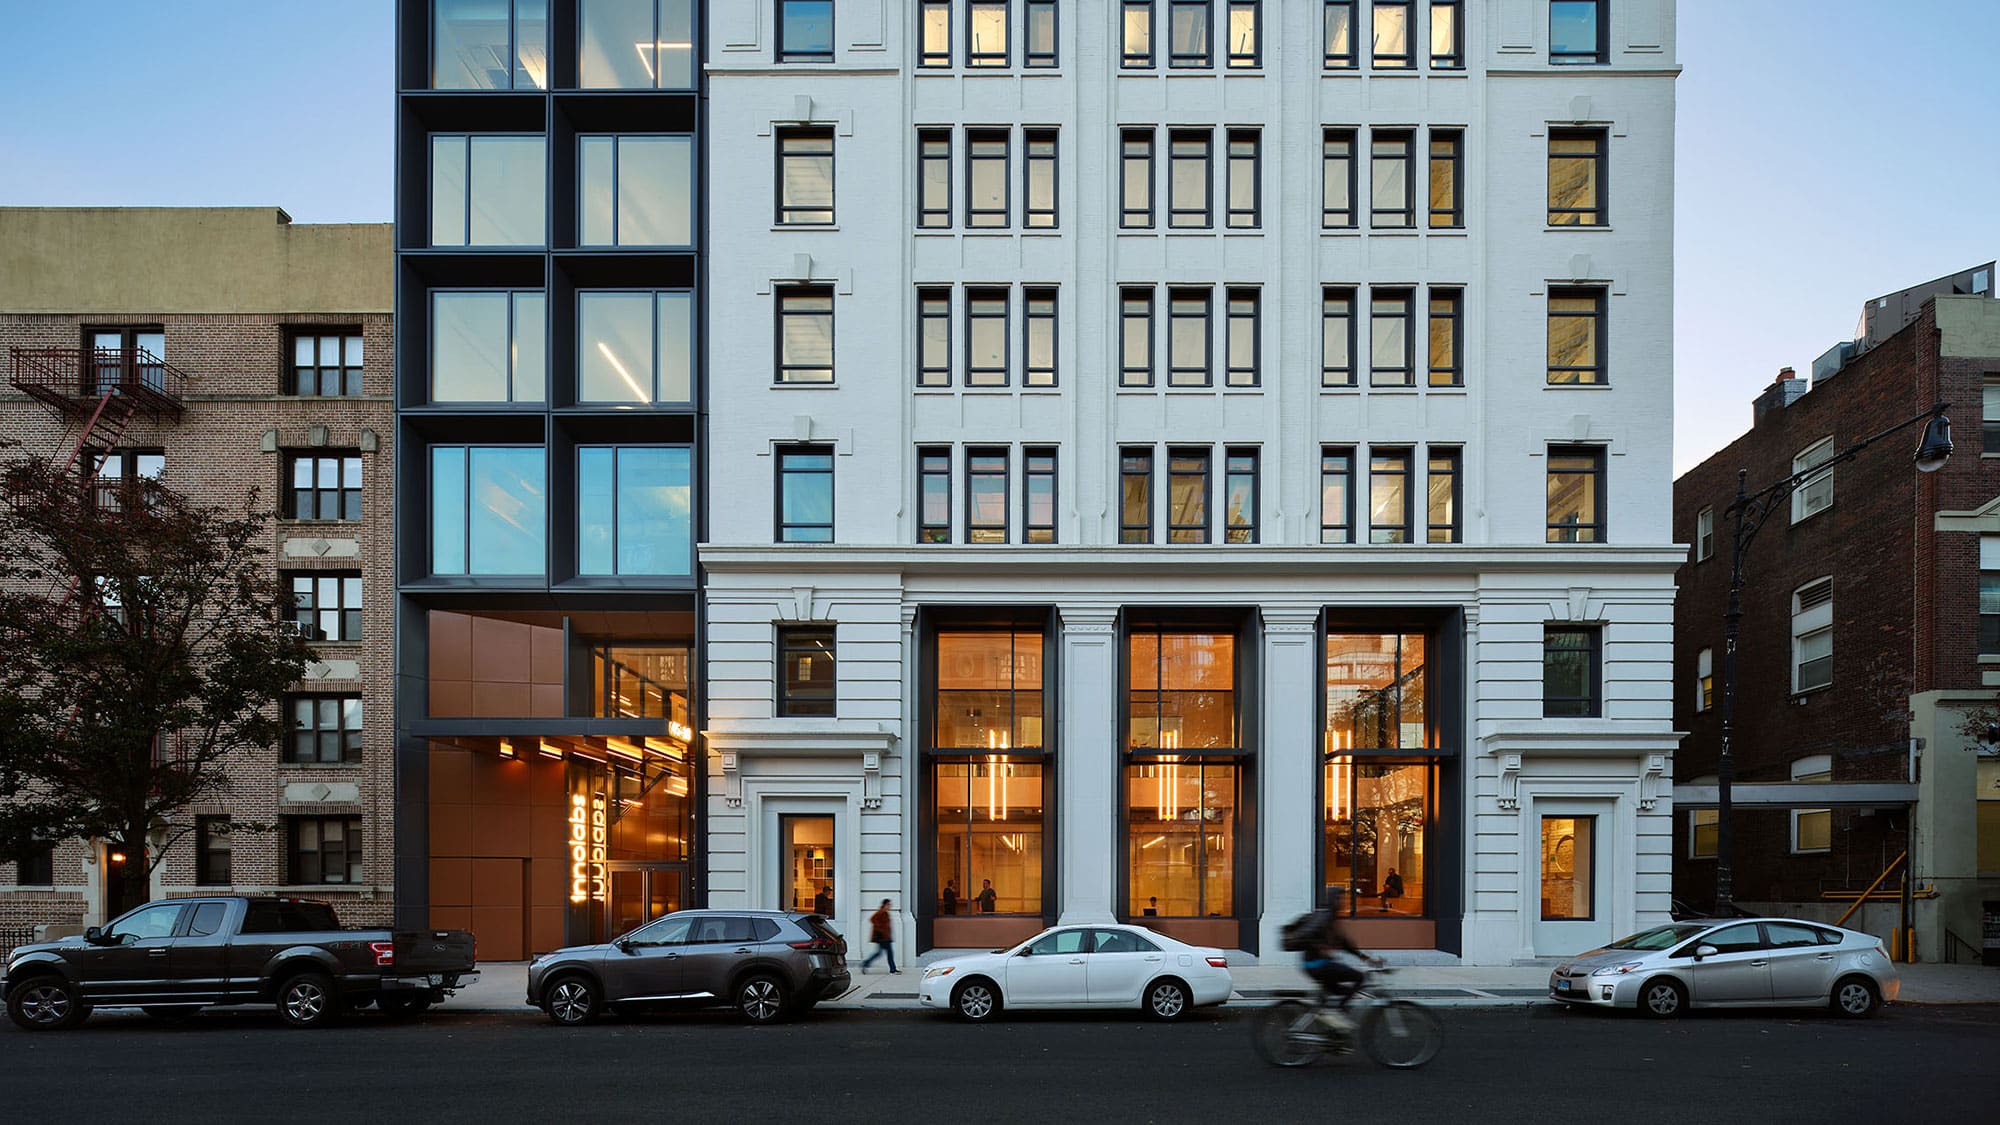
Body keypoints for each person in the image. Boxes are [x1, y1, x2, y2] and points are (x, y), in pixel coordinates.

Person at [1301, 886, 1383, 1032]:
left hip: (1317, 964)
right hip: (1317, 964)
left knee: (1344, 992)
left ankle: (1330, 1028)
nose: (1343, 902)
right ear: (1334, 899)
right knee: (1359, 978)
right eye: (1340, 898)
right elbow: (1308, 934)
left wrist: (1366, 959)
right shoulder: (1325, 917)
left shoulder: (1331, 917)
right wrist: (1320, 948)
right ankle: (1336, 1014)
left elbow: (1345, 944)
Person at [861, 899, 899, 974]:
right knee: (889, 953)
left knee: (879, 953)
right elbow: (872, 919)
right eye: (888, 904)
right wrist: (880, 929)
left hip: (885, 937)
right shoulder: (881, 912)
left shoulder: (885, 913)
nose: (890, 906)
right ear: (884, 905)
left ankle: (865, 963)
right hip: (883, 937)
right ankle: (893, 969)